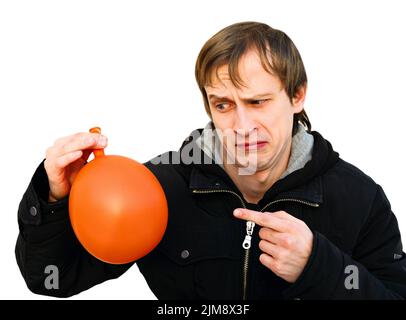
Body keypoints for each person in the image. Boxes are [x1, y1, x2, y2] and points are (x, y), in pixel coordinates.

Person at [15, 21, 406, 300]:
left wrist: (318, 265)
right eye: (223, 105)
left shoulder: (361, 198)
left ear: (298, 95)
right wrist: (55, 202)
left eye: (258, 102)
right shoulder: (159, 186)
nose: (242, 125)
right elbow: (51, 281)